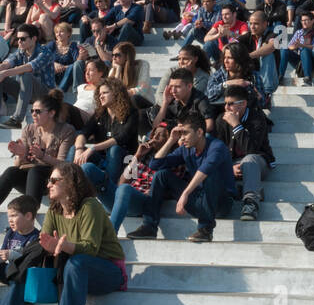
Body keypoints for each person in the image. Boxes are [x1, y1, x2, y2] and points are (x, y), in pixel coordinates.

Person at [0, 161, 126, 305]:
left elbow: (91, 248)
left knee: (77, 263)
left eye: (53, 180)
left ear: (70, 183)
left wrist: (65, 245)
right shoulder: (54, 209)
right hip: (71, 269)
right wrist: (49, 246)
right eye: (48, 181)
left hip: (107, 271)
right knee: (29, 264)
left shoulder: (90, 206)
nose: (48, 184)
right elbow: (45, 241)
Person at [126, 111, 237, 243]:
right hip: (199, 199)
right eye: (180, 133)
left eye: (185, 133)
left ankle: (205, 229)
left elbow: (205, 170)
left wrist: (185, 194)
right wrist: (171, 140)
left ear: (200, 132)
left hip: (221, 203)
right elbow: (155, 165)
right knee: (162, 175)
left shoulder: (217, 147)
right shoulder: (186, 148)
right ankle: (149, 226)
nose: (182, 138)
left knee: (209, 174)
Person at [76, 80, 140, 228]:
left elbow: (120, 138)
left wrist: (92, 148)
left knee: (114, 149)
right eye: (99, 94)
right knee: (76, 149)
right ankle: (73, 189)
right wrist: (80, 148)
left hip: (127, 163)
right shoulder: (100, 114)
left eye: (105, 93)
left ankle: (110, 192)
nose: (101, 97)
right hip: (105, 160)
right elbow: (83, 133)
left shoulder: (132, 112)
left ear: (116, 94)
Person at [0, 89, 76, 208]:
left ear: (51, 113)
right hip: (31, 179)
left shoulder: (66, 131)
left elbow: (63, 165)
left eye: (38, 111)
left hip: (52, 179)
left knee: (36, 170)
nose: (33, 114)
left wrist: (43, 156)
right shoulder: (29, 129)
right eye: (32, 111)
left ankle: (29, 214)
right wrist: (21, 154)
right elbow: (17, 166)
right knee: (11, 171)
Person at [213, 84, 274, 222]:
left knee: (249, 159)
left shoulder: (257, 119)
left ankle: (251, 203)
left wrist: (236, 125)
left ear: (243, 104)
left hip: (257, 162)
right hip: (233, 164)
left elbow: (251, 149)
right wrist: (228, 167)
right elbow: (219, 150)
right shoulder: (221, 120)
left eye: (231, 104)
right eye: (225, 104)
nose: (226, 108)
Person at [0, 27, 56, 129]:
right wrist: (2, 70)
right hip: (25, 92)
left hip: (44, 94)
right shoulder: (20, 51)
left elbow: (29, 67)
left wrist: (5, 73)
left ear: (34, 38)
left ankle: (17, 120)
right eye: (18, 39)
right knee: (2, 78)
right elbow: (7, 63)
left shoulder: (45, 52)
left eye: (23, 39)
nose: (19, 42)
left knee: (26, 74)